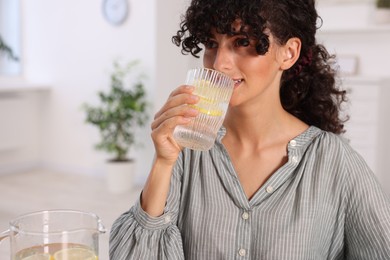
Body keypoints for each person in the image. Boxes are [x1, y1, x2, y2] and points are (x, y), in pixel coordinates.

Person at [109, 0, 390, 259]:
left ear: (289, 53)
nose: (219, 63)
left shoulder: (334, 162)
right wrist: (162, 162)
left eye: (242, 42)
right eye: (211, 43)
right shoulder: (186, 153)